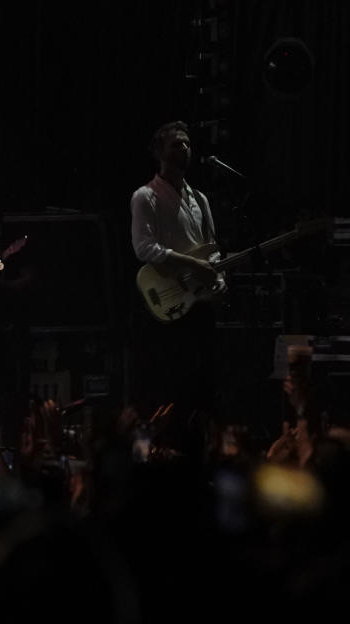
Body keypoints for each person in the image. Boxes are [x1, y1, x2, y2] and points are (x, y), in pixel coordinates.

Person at [129, 120, 223, 452]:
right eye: (175, 145)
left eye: (186, 144)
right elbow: (145, 248)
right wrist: (192, 264)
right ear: (158, 152)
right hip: (168, 301)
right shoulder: (146, 197)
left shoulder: (200, 199)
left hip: (198, 302)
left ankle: (199, 448)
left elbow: (212, 249)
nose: (184, 149)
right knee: (172, 379)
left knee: (204, 381)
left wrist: (217, 277)